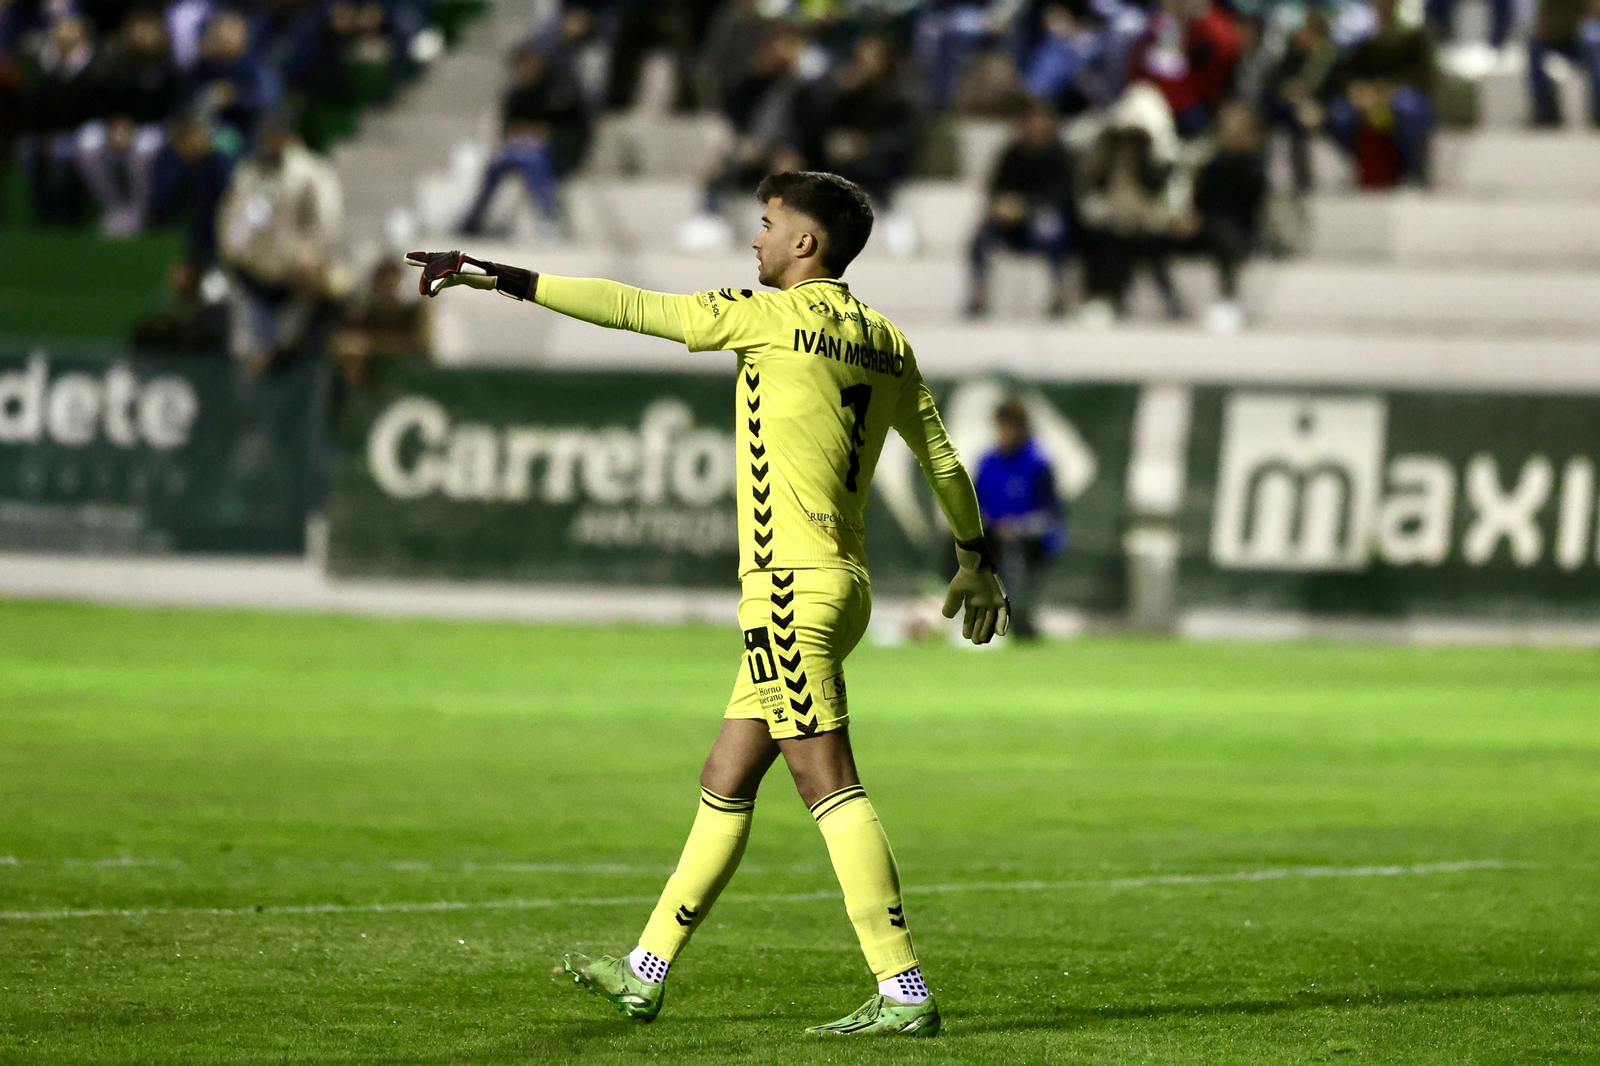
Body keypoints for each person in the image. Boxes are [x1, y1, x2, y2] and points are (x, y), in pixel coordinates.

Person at [405, 170, 1011, 1037]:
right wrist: (974, 559)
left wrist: (497, 274)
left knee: (826, 779)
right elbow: (945, 461)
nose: (754, 240)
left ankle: (903, 986)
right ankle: (645, 970)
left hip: (786, 591)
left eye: (767, 225)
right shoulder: (888, 341)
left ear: (808, 243)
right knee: (727, 777)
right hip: (843, 586)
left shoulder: (766, 318)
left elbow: (629, 307)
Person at [215, 113, 344, 371]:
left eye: (275, 137)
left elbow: (326, 221)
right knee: (249, 356)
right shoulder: (249, 174)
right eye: (266, 138)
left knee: (288, 357)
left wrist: (311, 255)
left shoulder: (310, 173)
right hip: (251, 276)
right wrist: (231, 252)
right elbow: (232, 219)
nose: (270, 143)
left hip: (294, 279)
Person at [458, 43, 591, 234]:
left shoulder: (560, 90)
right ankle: (475, 218)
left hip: (557, 151)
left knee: (532, 162)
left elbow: (567, 127)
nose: (525, 69)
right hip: (520, 147)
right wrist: (526, 132)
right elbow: (507, 128)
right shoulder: (516, 93)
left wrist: (541, 132)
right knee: (496, 164)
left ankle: (547, 217)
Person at [966, 101, 1077, 318]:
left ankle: (1057, 293)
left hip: (1043, 217)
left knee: (1051, 227)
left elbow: (1063, 196)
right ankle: (978, 293)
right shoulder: (1011, 154)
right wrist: (1003, 206)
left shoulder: (1061, 155)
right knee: (980, 236)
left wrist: (1025, 207)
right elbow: (995, 189)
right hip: (1011, 223)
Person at [1319, 0, 1436, 187]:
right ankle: (1363, 168)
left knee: (1409, 110)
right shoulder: (1358, 34)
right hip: (1365, 96)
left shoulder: (1413, 33)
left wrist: (1391, 88)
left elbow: (1423, 75)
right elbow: (1341, 73)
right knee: (1338, 115)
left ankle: (1411, 172)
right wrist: (1356, 88)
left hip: (1401, 94)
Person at [1172, 100, 1266, 333]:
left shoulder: (1253, 163)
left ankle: (1227, 299)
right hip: (1203, 226)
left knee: (1225, 237)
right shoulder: (1210, 159)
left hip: (1237, 230)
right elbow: (1198, 198)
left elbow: (1247, 206)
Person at [974, 399, 1063, 640]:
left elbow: (1052, 513)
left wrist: (1020, 527)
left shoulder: (1038, 463)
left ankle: (1020, 617)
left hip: (1030, 538)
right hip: (994, 534)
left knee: (1015, 556)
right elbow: (975, 504)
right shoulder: (987, 462)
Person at [1528, 0, 1600, 127]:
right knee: (1534, 46)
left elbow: (1595, 11)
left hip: (1580, 34)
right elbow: (1543, 16)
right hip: (1557, 35)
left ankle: (1598, 110)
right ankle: (1544, 110)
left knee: (1593, 41)